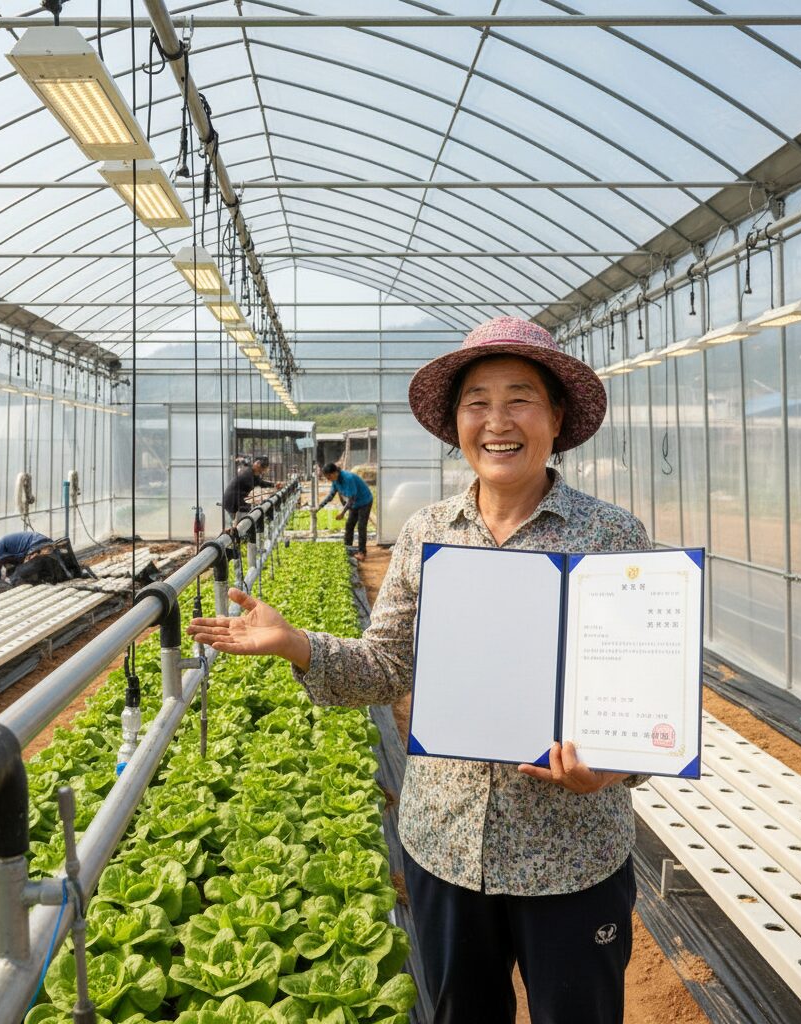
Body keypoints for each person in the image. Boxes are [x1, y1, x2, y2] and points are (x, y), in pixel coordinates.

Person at [189, 316, 650, 1024]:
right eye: (477, 402)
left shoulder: (611, 537)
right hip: (446, 849)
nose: (497, 421)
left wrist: (612, 768)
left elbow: (641, 693)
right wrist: (298, 644)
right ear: (457, 423)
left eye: (520, 398)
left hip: (573, 855)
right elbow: (385, 665)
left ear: (557, 416)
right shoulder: (427, 533)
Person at [318, 463, 373, 561]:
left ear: (335, 472)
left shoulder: (348, 478)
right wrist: (319, 507)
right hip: (354, 504)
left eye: (329, 476)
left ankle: (362, 552)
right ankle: (348, 548)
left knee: (361, 526)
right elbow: (331, 496)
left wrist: (342, 513)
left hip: (364, 501)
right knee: (349, 525)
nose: (328, 479)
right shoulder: (335, 480)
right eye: (327, 477)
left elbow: (351, 499)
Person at [0, 530, 53, 595]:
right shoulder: (0, 548)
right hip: (39, 541)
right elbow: (14, 561)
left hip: (37, 544)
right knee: (16, 574)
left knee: (17, 576)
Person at [221, 456, 276, 520]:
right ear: (257, 464)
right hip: (232, 502)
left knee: (245, 518)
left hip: (237, 501)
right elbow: (253, 487)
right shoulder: (247, 474)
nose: (263, 472)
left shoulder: (252, 473)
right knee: (242, 523)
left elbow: (260, 482)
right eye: (263, 469)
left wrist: (274, 485)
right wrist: (256, 500)